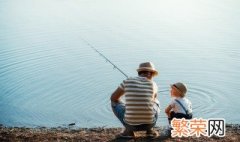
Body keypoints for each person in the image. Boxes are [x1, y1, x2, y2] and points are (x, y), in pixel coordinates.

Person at [110, 62, 160, 138]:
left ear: (139, 72)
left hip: (130, 125)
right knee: (156, 102)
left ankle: (128, 132)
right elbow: (152, 101)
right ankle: (150, 131)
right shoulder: (154, 84)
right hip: (150, 124)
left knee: (114, 102)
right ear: (150, 74)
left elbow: (113, 98)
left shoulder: (127, 81)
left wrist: (123, 103)